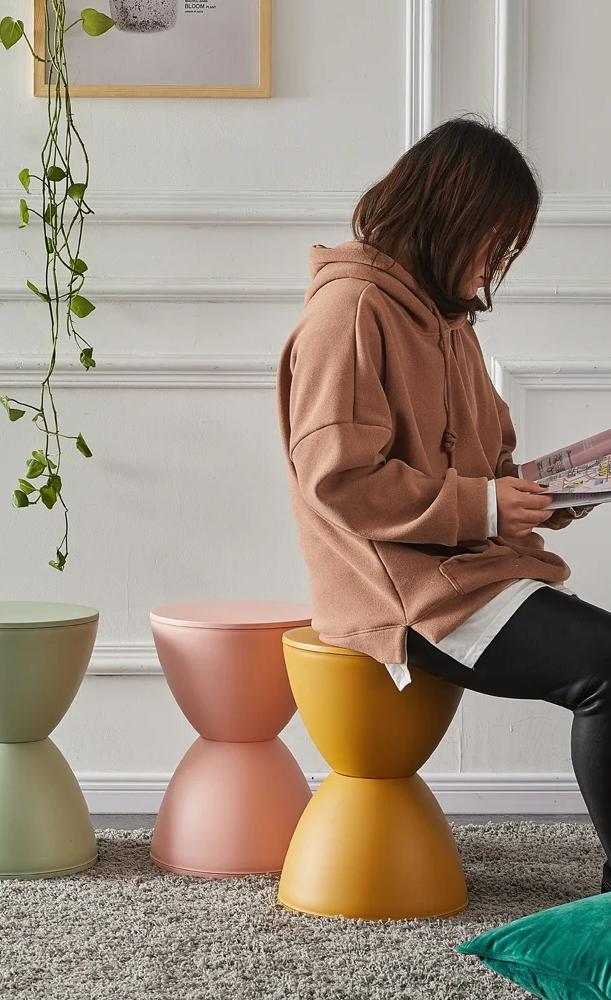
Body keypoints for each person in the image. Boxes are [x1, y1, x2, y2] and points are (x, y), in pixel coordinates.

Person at [275, 112, 611, 894]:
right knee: (606, 671)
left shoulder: (447, 323)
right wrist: (485, 508)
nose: (498, 263)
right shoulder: (351, 312)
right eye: (494, 241)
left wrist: (552, 496)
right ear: (446, 218)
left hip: (468, 571)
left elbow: (483, 464)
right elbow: (339, 479)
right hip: (404, 589)